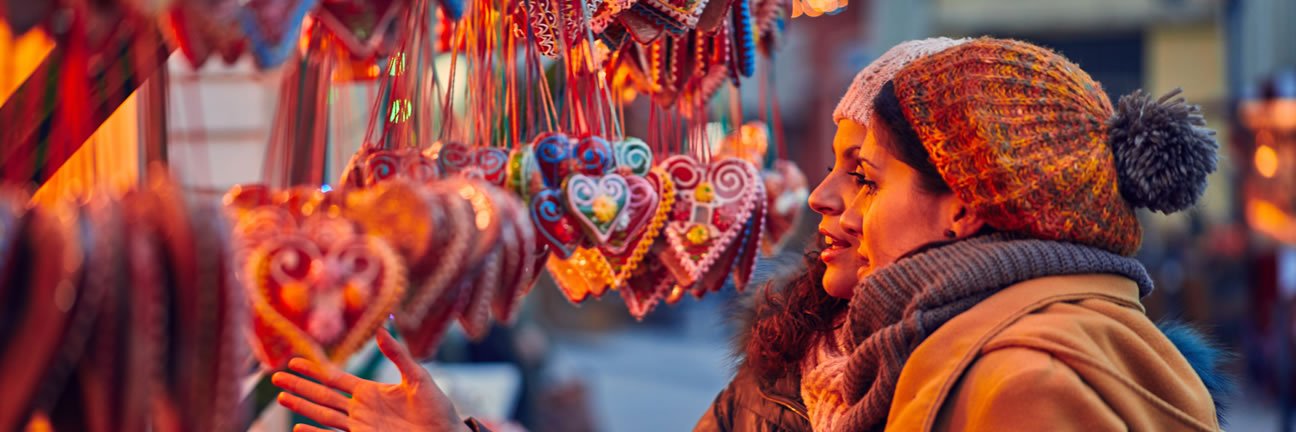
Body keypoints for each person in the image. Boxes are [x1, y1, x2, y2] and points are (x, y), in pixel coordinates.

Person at [273, 37, 1230, 431]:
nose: (819, 198)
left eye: (861, 174)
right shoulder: (827, 354)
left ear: (968, 207)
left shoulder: (1033, 388)